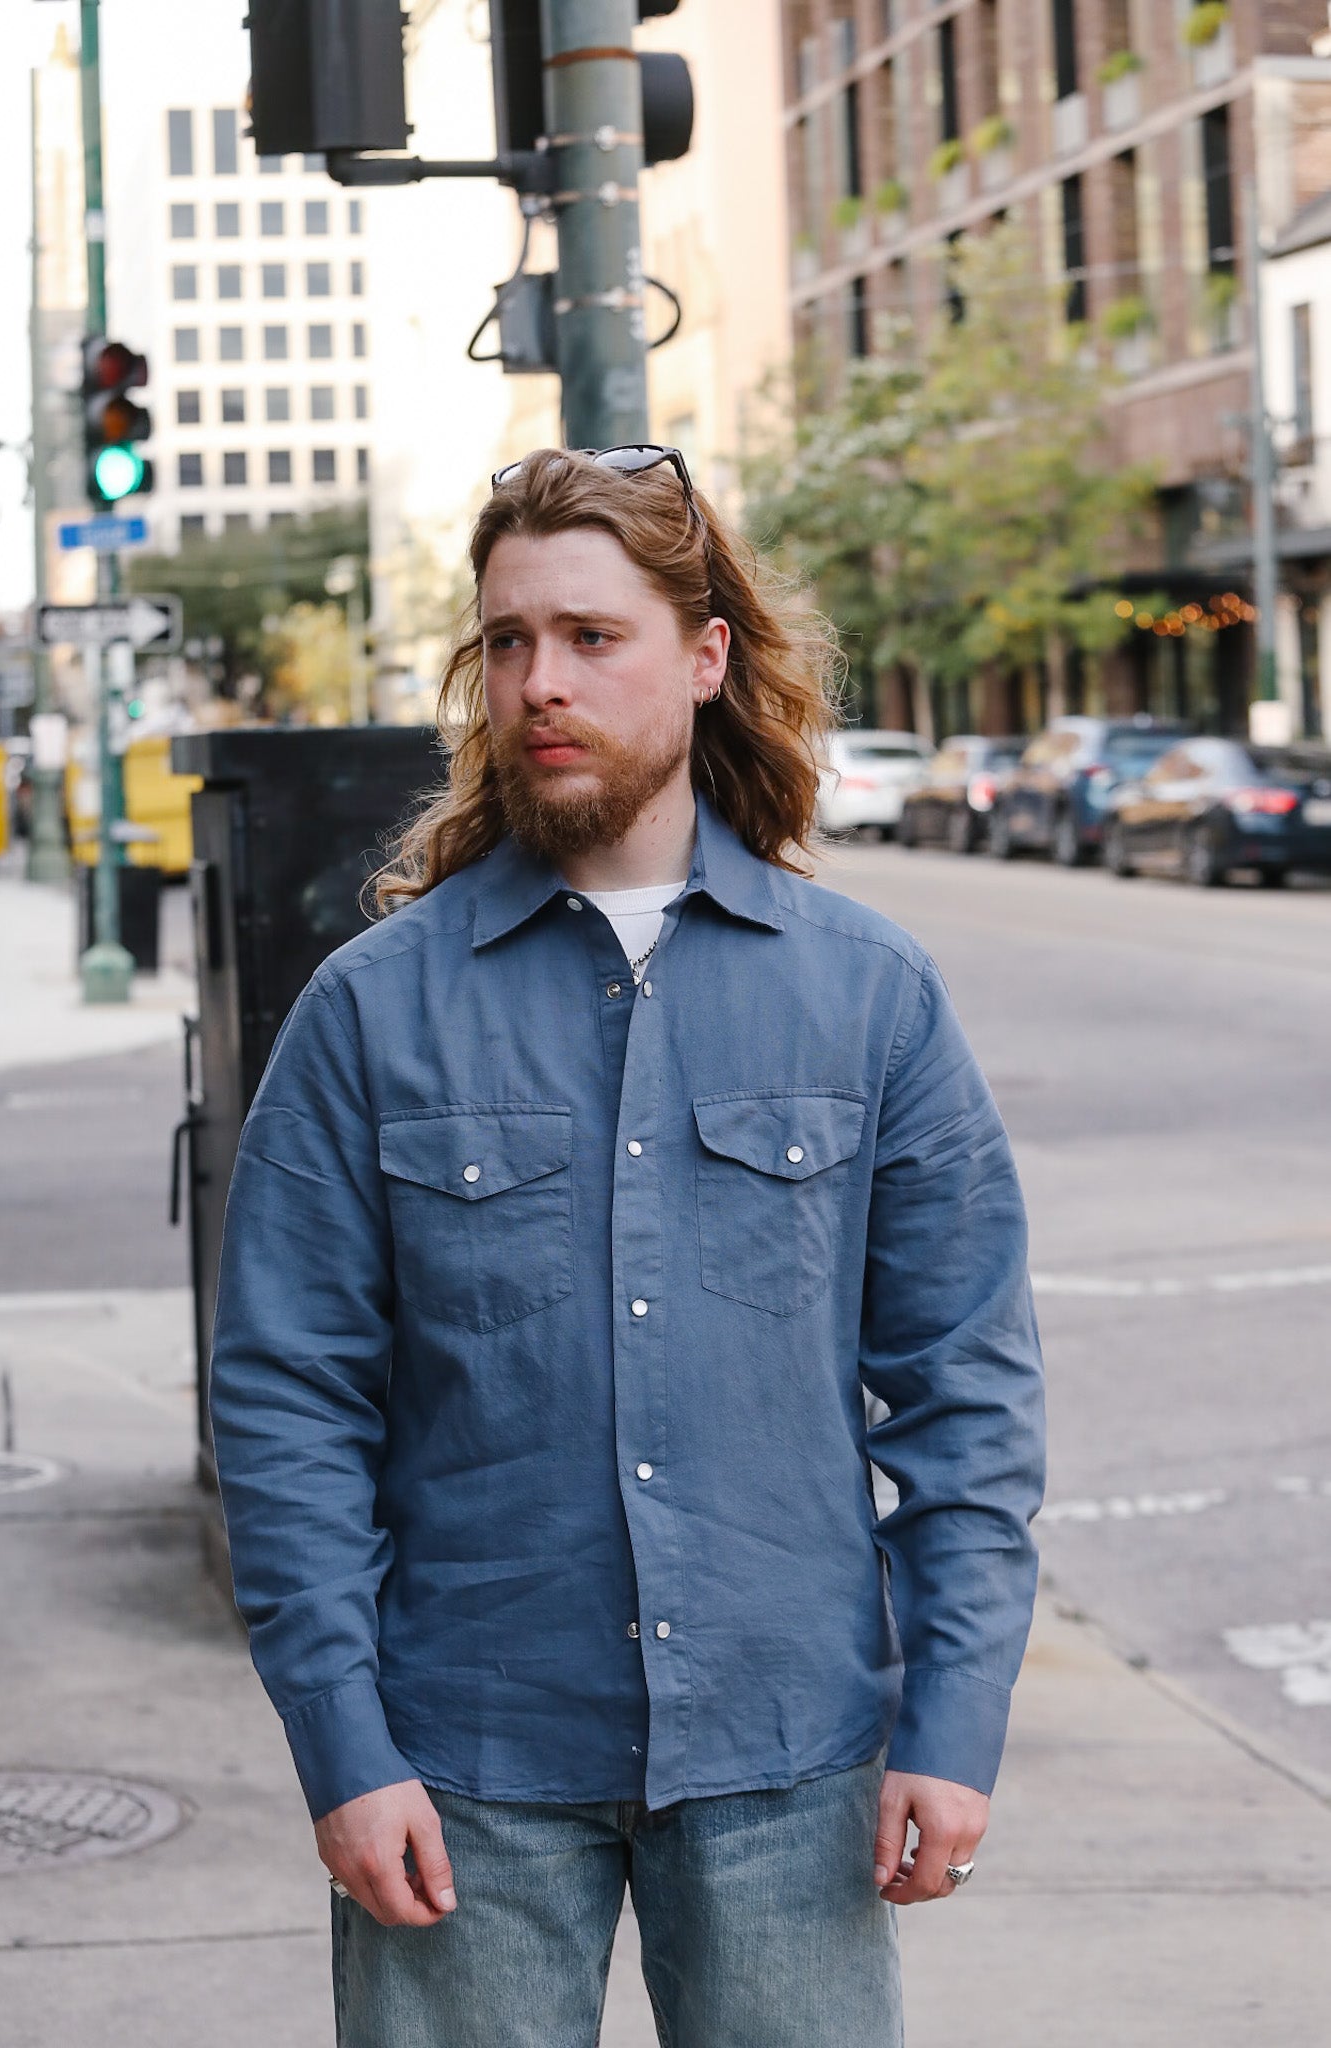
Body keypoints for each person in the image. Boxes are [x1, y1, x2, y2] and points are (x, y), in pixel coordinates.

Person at [210, 445, 1046, 2047]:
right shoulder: (371, 1011)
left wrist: (951, 1715)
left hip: (788, 1754)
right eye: (509, 640)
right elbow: (286, 1403)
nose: (541, 681)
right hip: (463, 1758)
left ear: (706, 656)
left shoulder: (867, 997)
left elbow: (963, 1393)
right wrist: (341, 1741)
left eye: (592, 637)